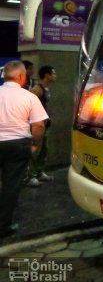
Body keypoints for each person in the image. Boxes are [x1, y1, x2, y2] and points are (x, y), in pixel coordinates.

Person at [0, 60, 48, 237]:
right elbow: (39, 126)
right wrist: (35, 145)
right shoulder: (29, 97)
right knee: (11, 186)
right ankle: (3, 225)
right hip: (18, 146)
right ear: (21, 76)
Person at [24, 65, 57, 187]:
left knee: (44, 149)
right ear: (47, 75)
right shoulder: (37, 89)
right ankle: (30, 176)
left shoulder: (46, 89)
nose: (55, 76)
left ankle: (39, 172)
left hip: (45, 123)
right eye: (53, 73)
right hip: (37, 125)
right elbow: (28, 105)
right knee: (35, 149)